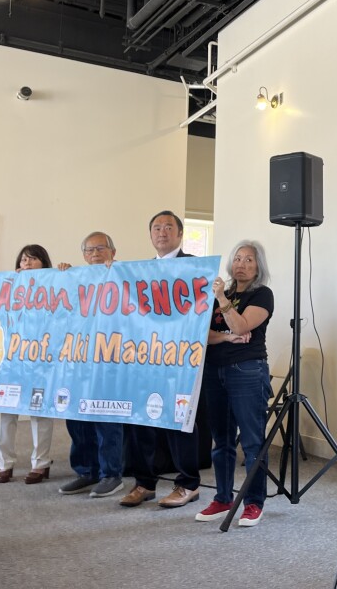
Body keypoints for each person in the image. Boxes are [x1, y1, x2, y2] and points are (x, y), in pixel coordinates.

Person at [119, 211, 201, 509]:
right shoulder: (140, 271)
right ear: (150, 235)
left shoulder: (194, 267)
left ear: (180, 234)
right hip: (145, 358)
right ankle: (144, 483)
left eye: (168, 227)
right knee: (141, 421)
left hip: (179, 360)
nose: (162, 232)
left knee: (179, 421)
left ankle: (188, 484)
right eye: (156, 228)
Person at [195, 240, 274, 527]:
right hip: (214, 370)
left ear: (258, 266)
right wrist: (228, 336)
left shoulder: (262, 294)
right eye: (238, 258)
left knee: (252, 442)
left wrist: (222, 303)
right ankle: (223, 498)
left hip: (247, 370)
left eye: (249, 260)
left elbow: (241, 325)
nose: (241, 264)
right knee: (222, 441)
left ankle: (253, 503)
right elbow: (204, 334)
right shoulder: (224, 293)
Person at [57, 232, 124, 499]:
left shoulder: (122, 276)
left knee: (106, 419)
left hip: (108, 360)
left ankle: (111, 474)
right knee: (76, 418)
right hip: (77, 359)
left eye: (101, 248)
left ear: (113, 252)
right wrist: (60, 275)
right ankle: (87, 471)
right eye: (89, 250)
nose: (95, 253)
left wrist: (116, 273)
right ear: (83, 255)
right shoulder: (75, 279)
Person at [0, 245, 56, 485]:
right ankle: (4, 463)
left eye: (33, 259)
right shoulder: (10, 285)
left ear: (44, 262)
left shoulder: (54, 284)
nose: (27, 263)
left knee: (39, 413)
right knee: (7, 413)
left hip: (40, 359)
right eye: (23, 260)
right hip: (13, 359)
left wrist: (65, 272)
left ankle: (40, 463)